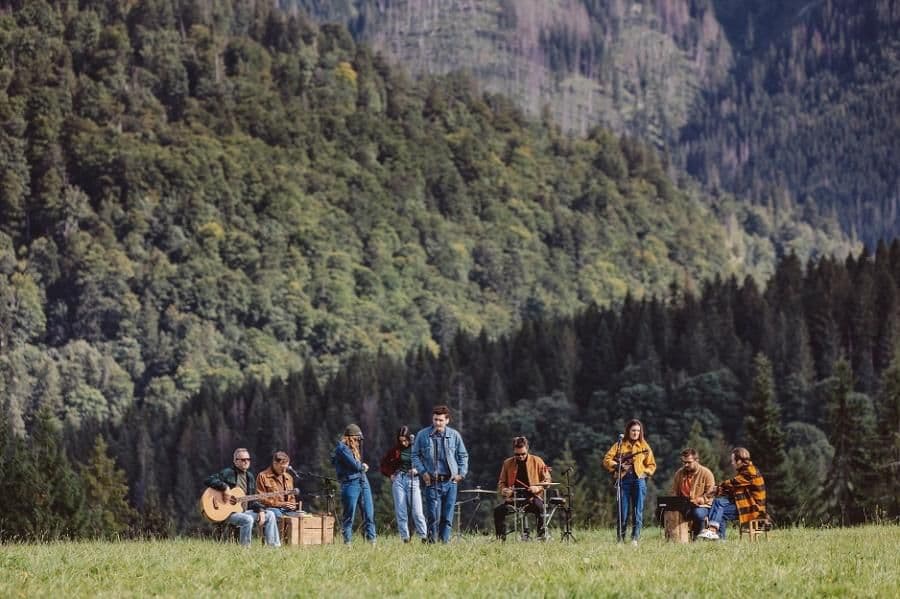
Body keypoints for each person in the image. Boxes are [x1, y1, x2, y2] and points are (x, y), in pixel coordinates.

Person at [412, 404, 469, 543]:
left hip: (450, 482)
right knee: (433, 516)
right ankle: (431, 543)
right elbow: (414, 455)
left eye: (441, 420)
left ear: (447, 420)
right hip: (432, 481)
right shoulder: (422, 435)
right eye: (435, 419)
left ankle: (444, 543)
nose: (437, 423)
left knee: (447, 517)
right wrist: (423, 472)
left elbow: (463, 455)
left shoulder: (454, 435)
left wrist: (461, 474)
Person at [204, 447, 281, 547]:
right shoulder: (228, 473)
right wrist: (224, 487)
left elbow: (252, 501)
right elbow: (208, 480)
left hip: (243, 512)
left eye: (248, 459)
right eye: (243, 459)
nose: (246, 462)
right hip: (228, 514)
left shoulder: (250, 477)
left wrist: (260, 510)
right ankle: (245, 549)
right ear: (235, 461)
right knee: (248, 519)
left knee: (270, 514)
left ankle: (274, 547)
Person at [602, 419, 657, 544]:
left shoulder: (644, 446)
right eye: (633, 430)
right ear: (628, 431)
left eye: (638, 431)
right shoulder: (620, 445)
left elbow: (652, 465)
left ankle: (635, 539)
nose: (635, 433)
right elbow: (607, 459)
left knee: (638, 511)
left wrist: (645, 472)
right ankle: (620, 539)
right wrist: (617, 465)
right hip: (624, 480)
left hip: (639, 480)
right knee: (623, 511)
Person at [697, 447, 766, 540]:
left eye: (733, 460)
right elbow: (733, 489)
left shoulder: (750, 472)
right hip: (745, 505)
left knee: (718, 503)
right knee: (720, 511)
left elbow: (733, 482)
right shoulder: (744, 471)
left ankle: (712, 530)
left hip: (753, 508)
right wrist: (717, 490)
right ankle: (720, 539)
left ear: (739, 461)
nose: (732, 463)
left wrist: (719, 487)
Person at [493, 436, 552, 541]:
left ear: (527, 449)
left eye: (523, 454)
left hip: (532, 498)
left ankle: (541, 536)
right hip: (513, 499)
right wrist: (504, 490)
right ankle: (500, 539)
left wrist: (537, 487)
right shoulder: (507, 463)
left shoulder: (537, 461)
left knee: (540, 508)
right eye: (517, 455)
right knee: (498, 511)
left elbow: (547, 480)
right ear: (513, 451)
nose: (520, 457)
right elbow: (501, 483)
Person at [379, 426, 427, 543]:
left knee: (417, 512)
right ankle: (405, 538)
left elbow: (426, 462)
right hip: (399, 480)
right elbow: (384, 464)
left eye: (405, 440)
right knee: (401, 512)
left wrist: (417, 470)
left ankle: (424, 537)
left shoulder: (416, 448)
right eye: (400, 441)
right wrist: (390, 474)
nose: (403, 443)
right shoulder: (395, 450)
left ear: (409, 438)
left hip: (413, 480)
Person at [332, 423, 376, 544]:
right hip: (350, 483)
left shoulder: (353, 449)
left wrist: (361, 468)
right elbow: (355, 465)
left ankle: (372, 541)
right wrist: (363, 467)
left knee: (369, 513)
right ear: (350, 437)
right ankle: (348, 543)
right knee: (349, 516)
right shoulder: (342, 448)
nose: (358, 442)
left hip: (363, 481)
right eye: (356, 439)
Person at [670, 448, 716, 539]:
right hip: (683, 505)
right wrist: (674, 501)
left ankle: (696, 537)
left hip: (702, 506)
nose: (686, 465)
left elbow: (711, 492)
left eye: (689, 462)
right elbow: (673, 491)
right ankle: (674, 537)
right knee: (661, 511)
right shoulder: (679, 473)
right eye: (684, 462)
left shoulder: (706, 473)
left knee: (697, 513)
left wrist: (701, 500)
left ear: (696, 460)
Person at [256, 450, 302, 521]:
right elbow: (261, 499)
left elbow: (292, 497)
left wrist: (292, 504)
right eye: (282, 468)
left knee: (302, 517)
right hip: (271, 509)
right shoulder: (263, 476)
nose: (284, 471)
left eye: (286, 468)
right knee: (278, 516)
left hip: (287, 510)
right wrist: (281, 504)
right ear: (274, 463)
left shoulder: (289, 477)